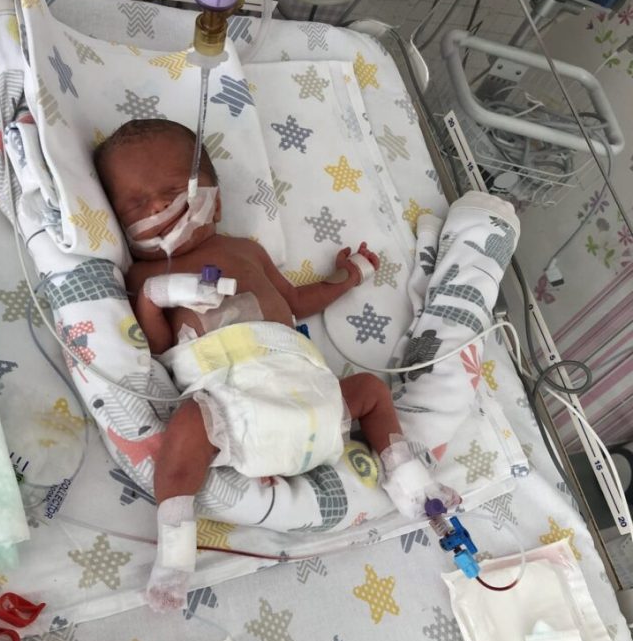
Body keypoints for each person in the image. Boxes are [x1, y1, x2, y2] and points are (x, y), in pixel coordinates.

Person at [95, 119, 454, 611]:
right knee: (185, 432)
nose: (157, 208)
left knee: (370, 391)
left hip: (313, 401)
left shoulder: (246, 250)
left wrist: (346, 279)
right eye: (135, 206)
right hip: (232, 408)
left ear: (216, 202)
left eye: (173, 193)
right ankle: (175, 555)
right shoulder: (145, 274)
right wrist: (160, 296)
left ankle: (411, 483)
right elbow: (158, 347)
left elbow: (295, 302)